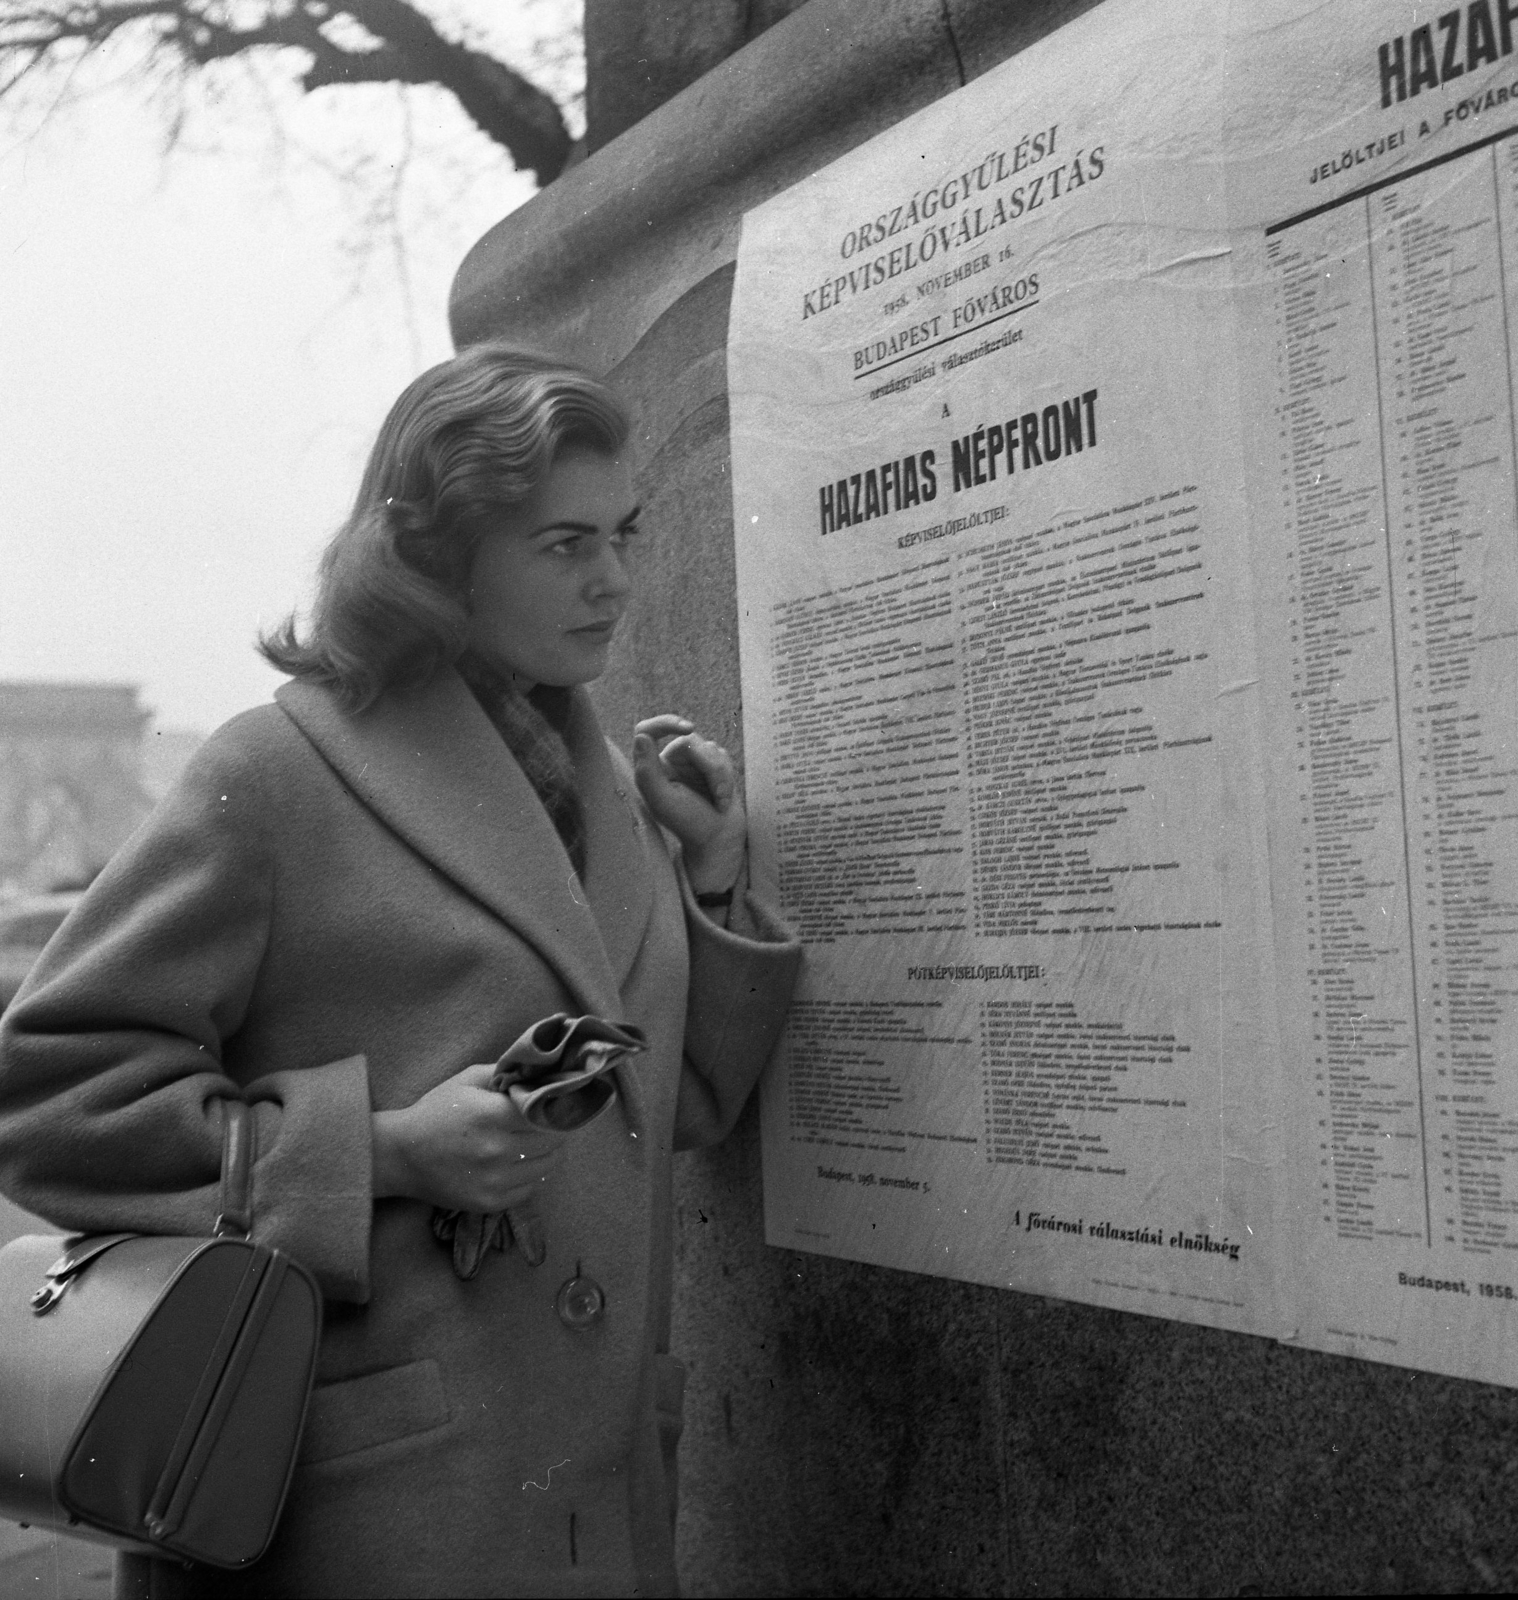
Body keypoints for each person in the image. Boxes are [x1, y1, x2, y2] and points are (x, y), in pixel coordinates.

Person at [0, 344, 801, 1599]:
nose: (615, 580)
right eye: (564, 544)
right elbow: (51, 1105)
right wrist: (385, 1150)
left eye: (624, 535)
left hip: (594, 1500)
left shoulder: (612, 794)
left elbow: (677, 1111)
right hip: (370, 1520)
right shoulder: (275, 774)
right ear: (438, 553)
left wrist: (708, 881)